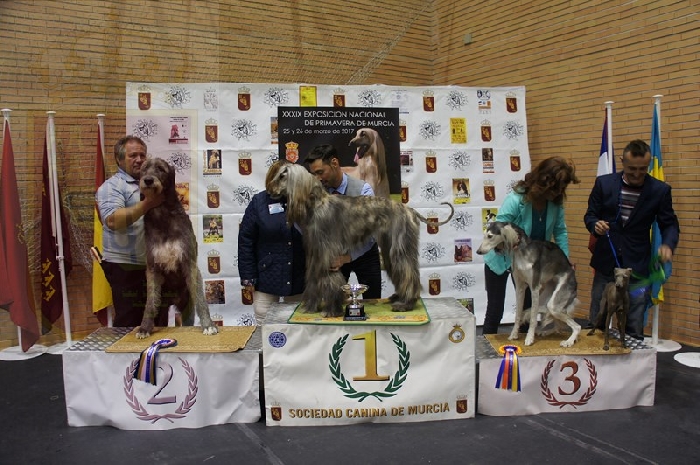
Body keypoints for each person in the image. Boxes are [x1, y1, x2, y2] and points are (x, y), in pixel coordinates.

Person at [585, 139, 679, 340]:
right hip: (606, 263)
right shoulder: (604, 184)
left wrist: (668, 245)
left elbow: (670, 224)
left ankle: (632, 356)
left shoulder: (660, 190)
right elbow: (590, 215)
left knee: (634, 323)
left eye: (642, 169)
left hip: (637, 267)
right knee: (597, 321)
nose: (637, 174)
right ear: (622, 162)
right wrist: (595, 225)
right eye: (632, 169)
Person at [482, 156, 580, 334]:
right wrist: (507, 245)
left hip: (529, 262)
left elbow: (560, 232)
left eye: (562, 188)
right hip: (500, 259)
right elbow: (498, 227)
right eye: (555, 188)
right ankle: (486, 350)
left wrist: (565, 262)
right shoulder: (516, 199)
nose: (558, 192)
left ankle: (524, 347)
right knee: (495, 311)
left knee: (527, 310)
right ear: (544, 182)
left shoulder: (556, 204)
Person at [96, 136, 165, 327]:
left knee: (158, 323)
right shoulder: (111, 187)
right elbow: (112, 220)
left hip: (155, 266)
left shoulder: (156, 184)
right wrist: (147, 204)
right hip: (125, 268)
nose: (139, 159)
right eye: (133, 155)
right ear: (119, 159)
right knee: (130, 323)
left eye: (142, 155)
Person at [303, 144, 382, 299]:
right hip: (333, 258)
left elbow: (371, 234)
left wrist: (347, 257)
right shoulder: (314, 195)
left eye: (320, 172)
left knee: (373, 302)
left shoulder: (363, 190)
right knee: (335, 303)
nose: (317, 179)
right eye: (314, 174)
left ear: (334, 163)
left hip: (365, 254)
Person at [238, 160, 306, 324]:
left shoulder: (306, 201)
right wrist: (248, 277)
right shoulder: (259, 202)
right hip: (267, 276)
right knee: (265, 325)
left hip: (300, 276)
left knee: (299, 326)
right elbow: (246, 241)